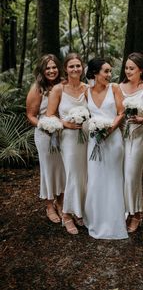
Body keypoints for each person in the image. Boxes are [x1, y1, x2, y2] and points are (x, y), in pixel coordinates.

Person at [84, 58, 128, 239]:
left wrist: (109, 130)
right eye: (106, 71)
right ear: (95, 73)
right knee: (95, 179)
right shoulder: (86, 92)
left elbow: (121, 113)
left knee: (113, 178)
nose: (110, 75)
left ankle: (114, 219)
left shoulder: (115, 88)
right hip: (94, 141)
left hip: (113, 139)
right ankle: (95, 217)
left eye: (110, 71)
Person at [46, 53, 88, 235]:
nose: (75, 69)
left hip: (86, 136)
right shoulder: (58, 90)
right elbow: (49, 115)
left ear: (83, 67)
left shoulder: (88, 88)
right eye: (71, 66)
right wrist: (67, 123)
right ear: (65, 69)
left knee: (84, 174)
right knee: (72, 174)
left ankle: (79, 211)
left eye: (78, 65)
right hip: (68, 138)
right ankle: (66, 214)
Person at [119, 52, 143, 233]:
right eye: (126, 68)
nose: (128, 71)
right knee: (122, 176)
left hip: (140, 138)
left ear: (141, 70)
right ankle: (125, 211)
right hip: (120, 138)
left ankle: (136, 215)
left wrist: (142, 119)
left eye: (131, 68)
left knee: (132, 175)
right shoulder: (119, 87)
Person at [26, 54, 66, 224]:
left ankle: (61, 201)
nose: (51, 71)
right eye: (47, 68)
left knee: (63, 168)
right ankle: (49, 205)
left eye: (54, 67)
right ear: (42, 70)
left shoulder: (64, 85)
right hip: (45, 134)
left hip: (64, 133)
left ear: (59, 68)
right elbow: (31, 115)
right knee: (48, 169)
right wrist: (45, 126)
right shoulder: (37, 88)